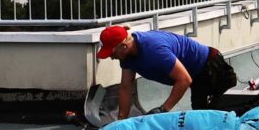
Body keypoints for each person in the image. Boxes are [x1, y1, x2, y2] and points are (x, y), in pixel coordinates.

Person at [96, 24, 238, 120]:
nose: (111, 57)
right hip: (195, 74)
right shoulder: (127, 56)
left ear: (124, 46)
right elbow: (126, 87)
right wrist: (121, 121)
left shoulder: (154, 50)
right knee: (201, 115)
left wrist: (163, 109)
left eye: (111, 53)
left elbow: (184, 80)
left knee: (208, 115)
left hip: (210, 67)